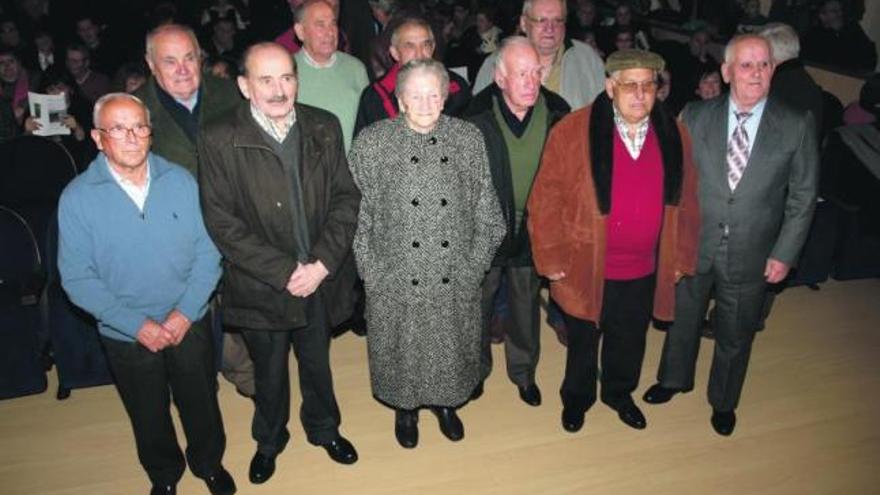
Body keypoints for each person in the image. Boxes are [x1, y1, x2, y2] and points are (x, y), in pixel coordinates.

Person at [199, 42, 361, 484]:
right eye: (265, 79)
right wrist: (283, 272)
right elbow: (221, 221)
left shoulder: (323, 126)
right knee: (268, 372)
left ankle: (325, 429)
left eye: (286, 77)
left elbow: (347, 198)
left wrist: (323, 264)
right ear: (243, 85)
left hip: (318, 278)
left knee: (317, 363)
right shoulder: (218, 137)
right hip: (262, 284)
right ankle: (269, 441)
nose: (278, 89)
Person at [57, 93, 235, 495]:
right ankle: (164, 475)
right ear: (99, 138)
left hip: (188, 321)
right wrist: (137, 325)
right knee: (147, 411)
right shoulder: (78, 198)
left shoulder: (180, 180)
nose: (132, 137)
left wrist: (185, 313)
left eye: (140, 126)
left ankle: (209, 463)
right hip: (125, 333)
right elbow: (77, 279)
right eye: (118, 129)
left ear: (151, 133)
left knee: (201, 399)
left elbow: (209, 251)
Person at [643, 35, 819, 436]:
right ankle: (673, 379)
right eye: (746, 65)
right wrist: (669, 241)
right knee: (683, 318)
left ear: (773, 70)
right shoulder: (695, 115)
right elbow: (674, 183)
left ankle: (723, 400)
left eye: (764, 65)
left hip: (753, 250)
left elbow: (803, 197)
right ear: (725, 72)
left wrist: (785, 252)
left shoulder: (796, 124)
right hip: (696, 241)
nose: (756, 73)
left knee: (736, 331)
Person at [527, 49, 700, 433]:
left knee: (629, 337)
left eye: (648, 85)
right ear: (609, 87)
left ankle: (619, 393)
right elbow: (545, 199)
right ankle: (577, 399)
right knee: (583, 340)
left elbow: (688, 199)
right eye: (629, 85)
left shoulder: (675, 134)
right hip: (584, 262)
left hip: (644, 266)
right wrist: (550, 257)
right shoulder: (573, 131)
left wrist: (681, 256)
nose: (640, 94)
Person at [349, 58, 505, 449]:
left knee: (450, 346)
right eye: (414, 95)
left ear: (446, 97)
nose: (424, 102)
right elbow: (353, 216)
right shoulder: (372, 142)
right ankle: (406, 410)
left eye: (433, 93)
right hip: (394, 271)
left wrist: (474, 266)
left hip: (455, 271)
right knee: (401, 347)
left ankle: (446, 404)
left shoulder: (468, 138)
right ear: (400, 99)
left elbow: (489, 212)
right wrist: (370, 271)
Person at [464, 36, 570, 407]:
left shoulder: (558, 113)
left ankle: (524, 374)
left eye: (535, 72)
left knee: (526, 306)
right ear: (500, 78)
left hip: (533, 232)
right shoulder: (474, 117)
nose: (530, 81)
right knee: (478, 305)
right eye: (520, 73)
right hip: (487, 232)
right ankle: (475, 371)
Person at [135, 24, 241, 177]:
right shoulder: (134, 109)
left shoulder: (231, 93)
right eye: (170, 62)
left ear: (200, 57)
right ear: (151, 64)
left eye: (189, 58)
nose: (182, 70)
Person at [473, 0, 605, 110]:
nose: (550, 28)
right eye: (541, 20)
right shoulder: (495, 63)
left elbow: (606, 115)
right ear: (524, 23)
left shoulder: (587, 59)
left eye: (558, 20)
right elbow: (476, 119)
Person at [355, 15, 471, 136]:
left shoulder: (456, 87)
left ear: (433, 49)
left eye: (425, 45)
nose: (420, 54)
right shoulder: (375, 97)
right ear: (395, 53)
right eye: (410, 46)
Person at [293, 0, 368, 152]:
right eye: (320, 24)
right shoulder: (286, 71)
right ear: (300, 31)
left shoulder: (355, 69)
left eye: (333, 24)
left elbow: (369, 125)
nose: (330, 32)